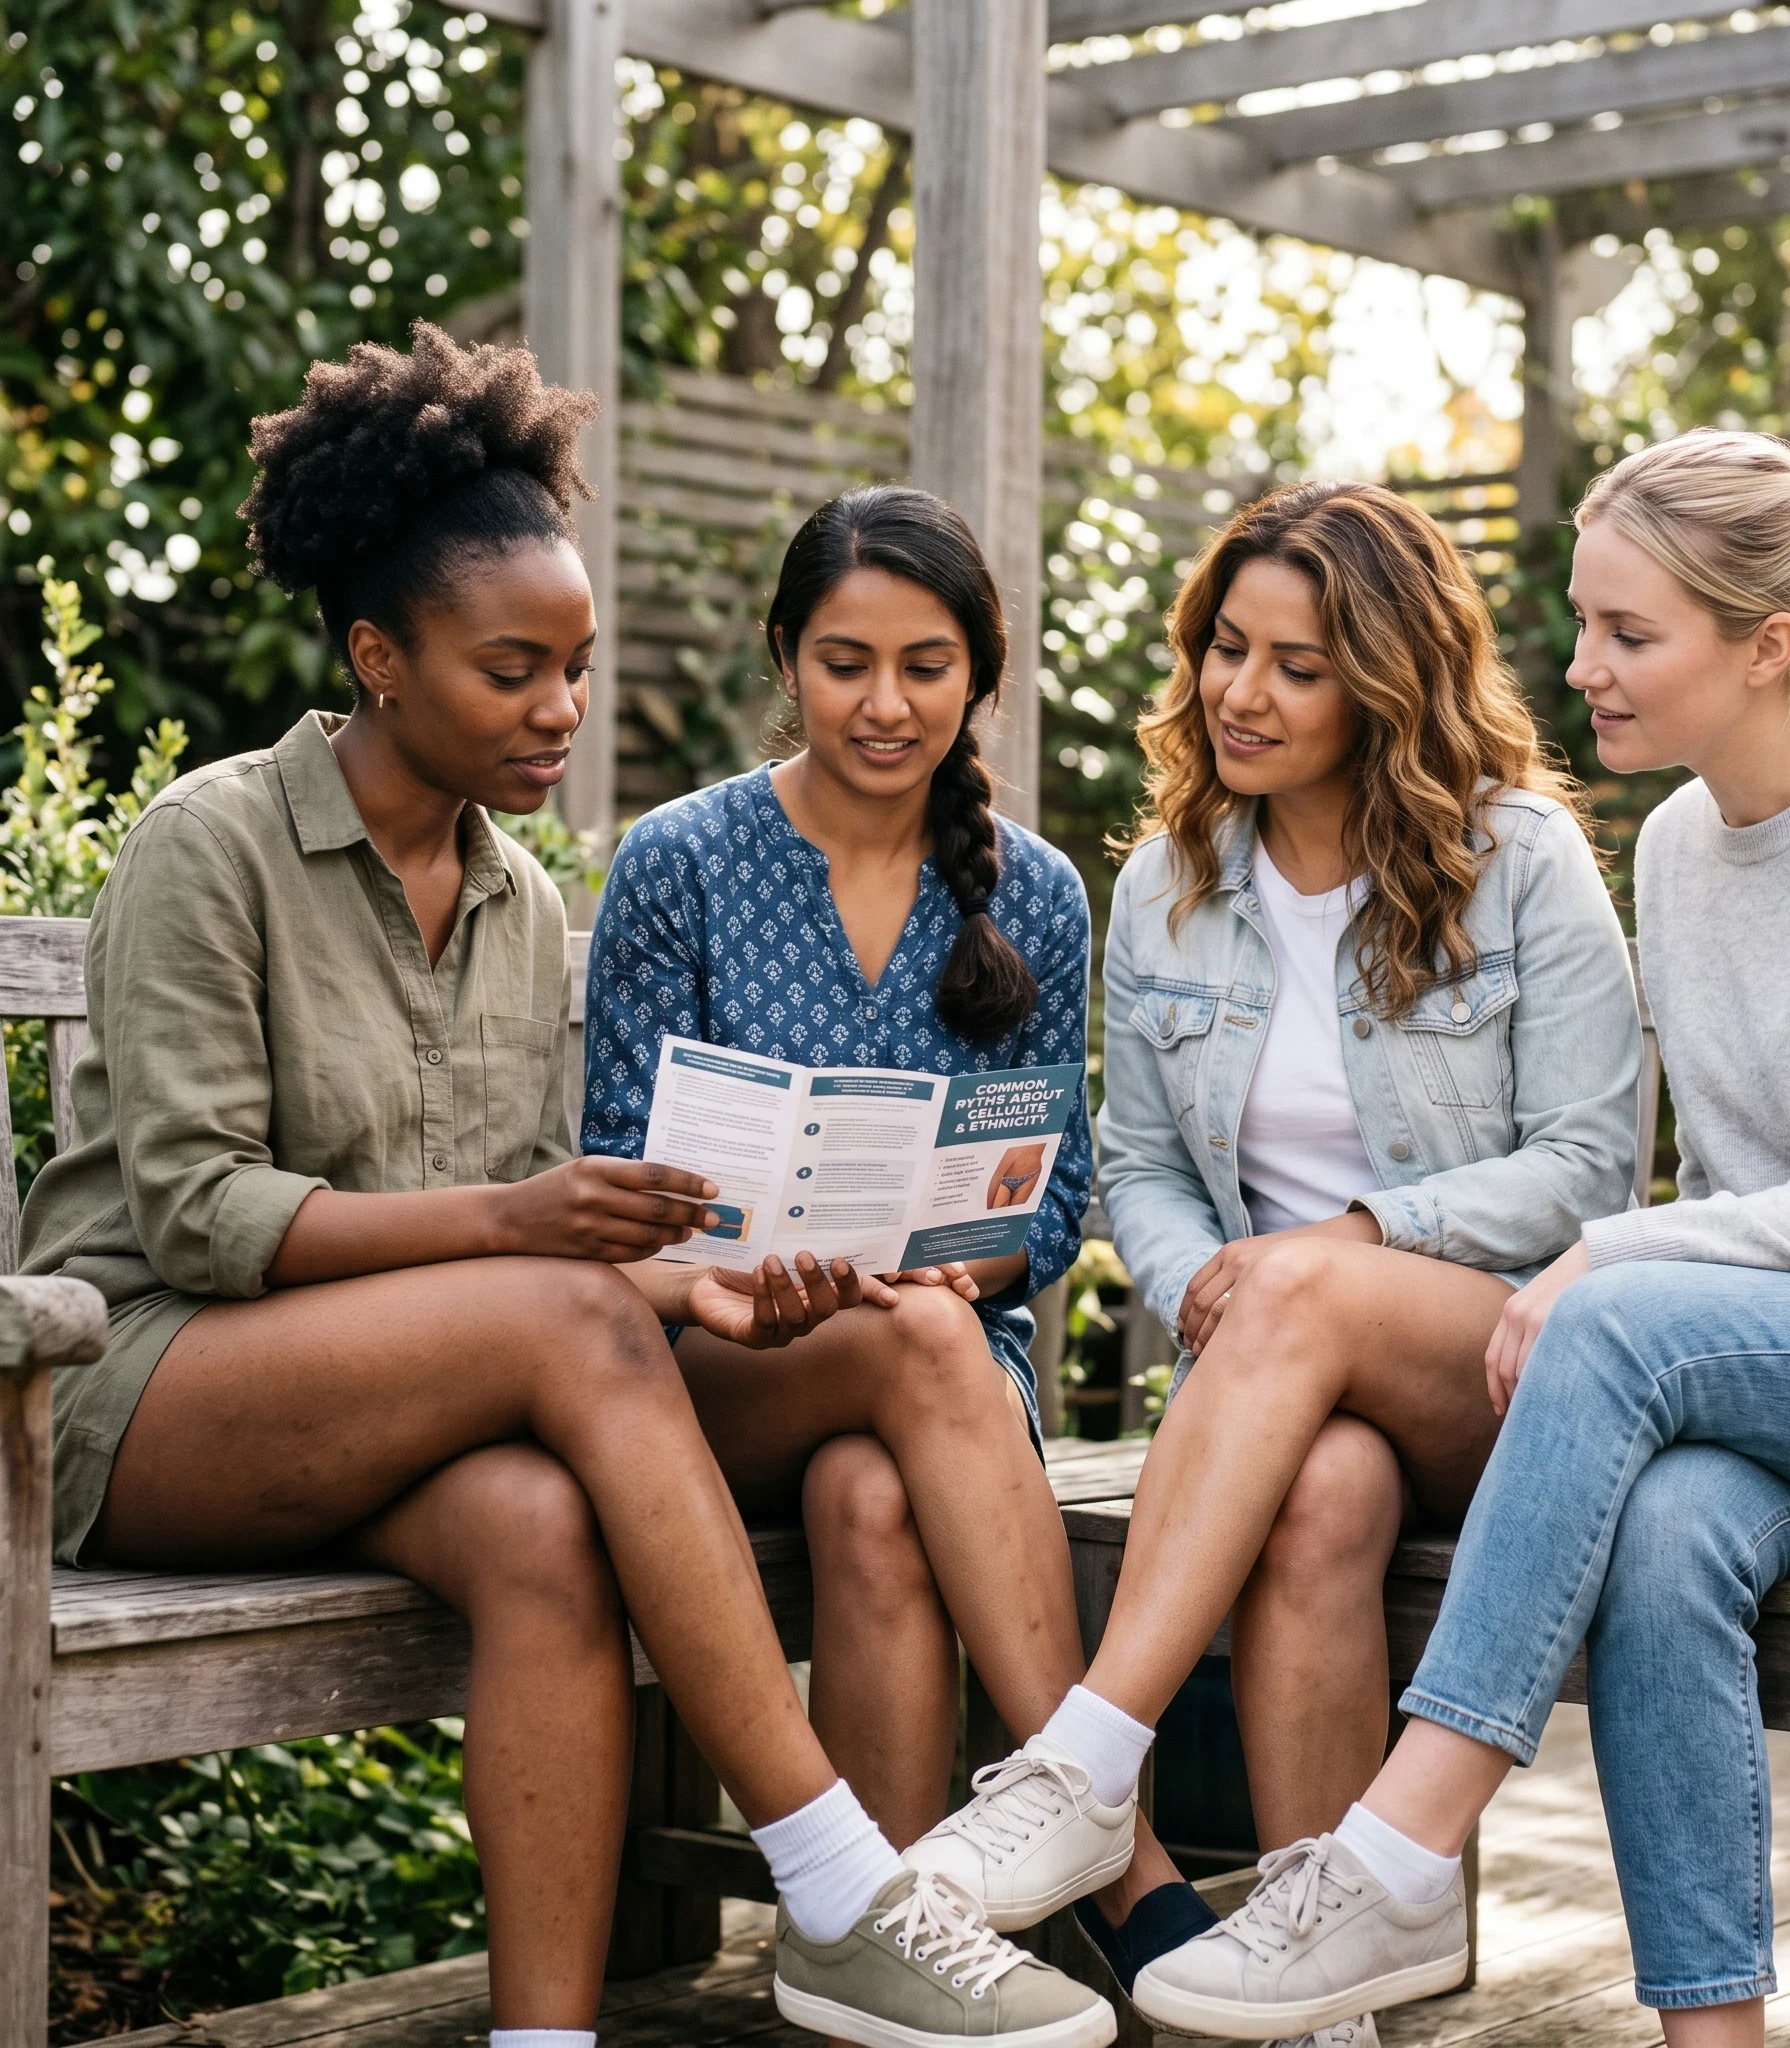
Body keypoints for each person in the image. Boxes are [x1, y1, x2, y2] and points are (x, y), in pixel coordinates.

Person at [24, 327, 1112, 2048]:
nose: (562, 712)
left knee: (553, 1527)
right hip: (143, 1392)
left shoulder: (520, 897)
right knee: (569, 1313)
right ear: (381, 658)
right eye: (512, 670)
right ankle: (838, 1880)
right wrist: (540, 1239)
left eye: (579, 667)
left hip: (419, 1396)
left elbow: (538, 1250)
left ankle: (549, 2038)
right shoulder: (211, 844)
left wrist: (711, 1290)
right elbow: (202, 1220)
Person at [1122, 428, 1790, 2048]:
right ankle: (1715, 2039)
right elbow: (1738, 1198)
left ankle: (1396, 1851)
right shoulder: (1683, 846)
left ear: (1767, 647)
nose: (1579, 668)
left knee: (1614, 1312)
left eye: (1630, 634)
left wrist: (1607, 1260)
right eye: (1585, 622)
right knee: (1673, 1534)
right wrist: (1637, 1258)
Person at [907, 479, 1642, 2025]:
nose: (1241, 692)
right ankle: (1316, 2003)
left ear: (1386, 682)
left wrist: (1363, 1242)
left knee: (1307, 1280)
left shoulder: (1519, 859)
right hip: (1286, 1391)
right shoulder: (1171, 889)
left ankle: (1091, 1763)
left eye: (1297, 666)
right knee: (1321, 1501)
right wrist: (1199, 1290)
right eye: (1226, 648)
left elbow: (1589, 1168)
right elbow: (1149, 1173)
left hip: (1512, 1380)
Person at [582, 482, 1201, 1967]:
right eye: (845, 661)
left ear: (980, 674)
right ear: (786, 659)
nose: (884, 703)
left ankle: (882, 1948)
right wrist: (758, 1271)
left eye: (927, 665)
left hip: (930, 1381)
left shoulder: (1037, 894)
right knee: (915, 1339)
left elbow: (1046, 1214)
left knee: (875, 1494)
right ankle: (1116, 1850)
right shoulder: (680, 862)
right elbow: (618, 1185)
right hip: (709, 1375)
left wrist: (935, 1261)